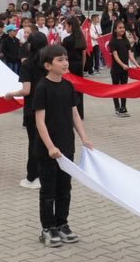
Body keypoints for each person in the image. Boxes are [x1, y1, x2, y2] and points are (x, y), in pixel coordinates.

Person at [33, 44, 94, 248]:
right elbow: (40, 121)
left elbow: (75, 114)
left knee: (64, 188)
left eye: (66, 58)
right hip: (48, 151)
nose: (65, 62)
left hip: (67, 146)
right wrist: (50, 146)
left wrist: (84, 138)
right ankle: (47, 228)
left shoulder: (68, 86)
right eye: (60, 60)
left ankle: (62, 223)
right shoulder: (42, 87)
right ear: (48, 65)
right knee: (48, 190)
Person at [4, 31, 48, 190]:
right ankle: (47, 174)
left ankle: (33, 176)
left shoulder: (27, 64)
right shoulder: (51, 63)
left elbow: (26, 90)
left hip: (33, 109)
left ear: (31, 45)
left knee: (34, 142)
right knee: (48, 141)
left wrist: (11, 94)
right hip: (50, 107)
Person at [108, 21, 132, 117]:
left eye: (123, 27)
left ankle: (123, 107)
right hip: (116, 69)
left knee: (124, 89)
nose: (122, 29)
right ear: (115, 30)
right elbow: (115, 55)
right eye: (120, 28)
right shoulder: (112, 42)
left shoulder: (126, 41)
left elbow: (130, 54)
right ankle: (117, 108)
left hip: (125, 70)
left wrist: (137, 65)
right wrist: (123, 65)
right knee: (116, 89)